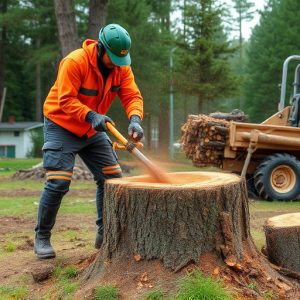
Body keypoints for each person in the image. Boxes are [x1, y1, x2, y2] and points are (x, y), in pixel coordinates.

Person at [34, 24, 144, 259]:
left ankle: (105, 235)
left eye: (120, 60)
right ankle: (42, 237)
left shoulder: (122, 67)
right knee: (58, 182)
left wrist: (135, 119)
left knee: (112, 178)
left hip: (92, 128)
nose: (116, 64)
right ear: (101, 48)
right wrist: (92, 115)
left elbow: (131, 95)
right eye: (112, 58)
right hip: (61, 124)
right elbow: (65, 100)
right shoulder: (75, 62)